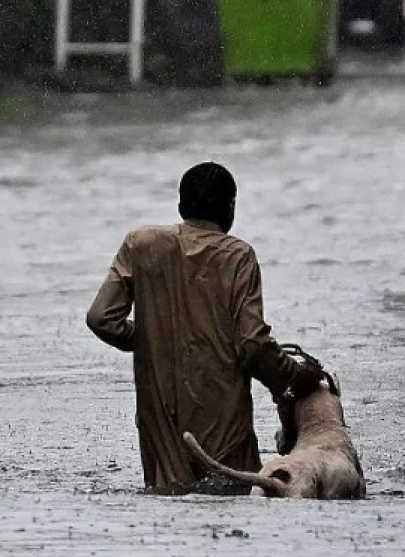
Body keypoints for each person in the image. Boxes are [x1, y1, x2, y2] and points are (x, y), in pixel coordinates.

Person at [86, 162, 325, 494]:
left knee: (168, 507)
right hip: (226, 432)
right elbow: (253, 346)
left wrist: (151, 338)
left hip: (161, 433)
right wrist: (297, 379)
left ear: (181, 205)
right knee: (236, 500)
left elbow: (101, 318)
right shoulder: (238, 256)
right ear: (230, 208)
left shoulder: (140, 245)